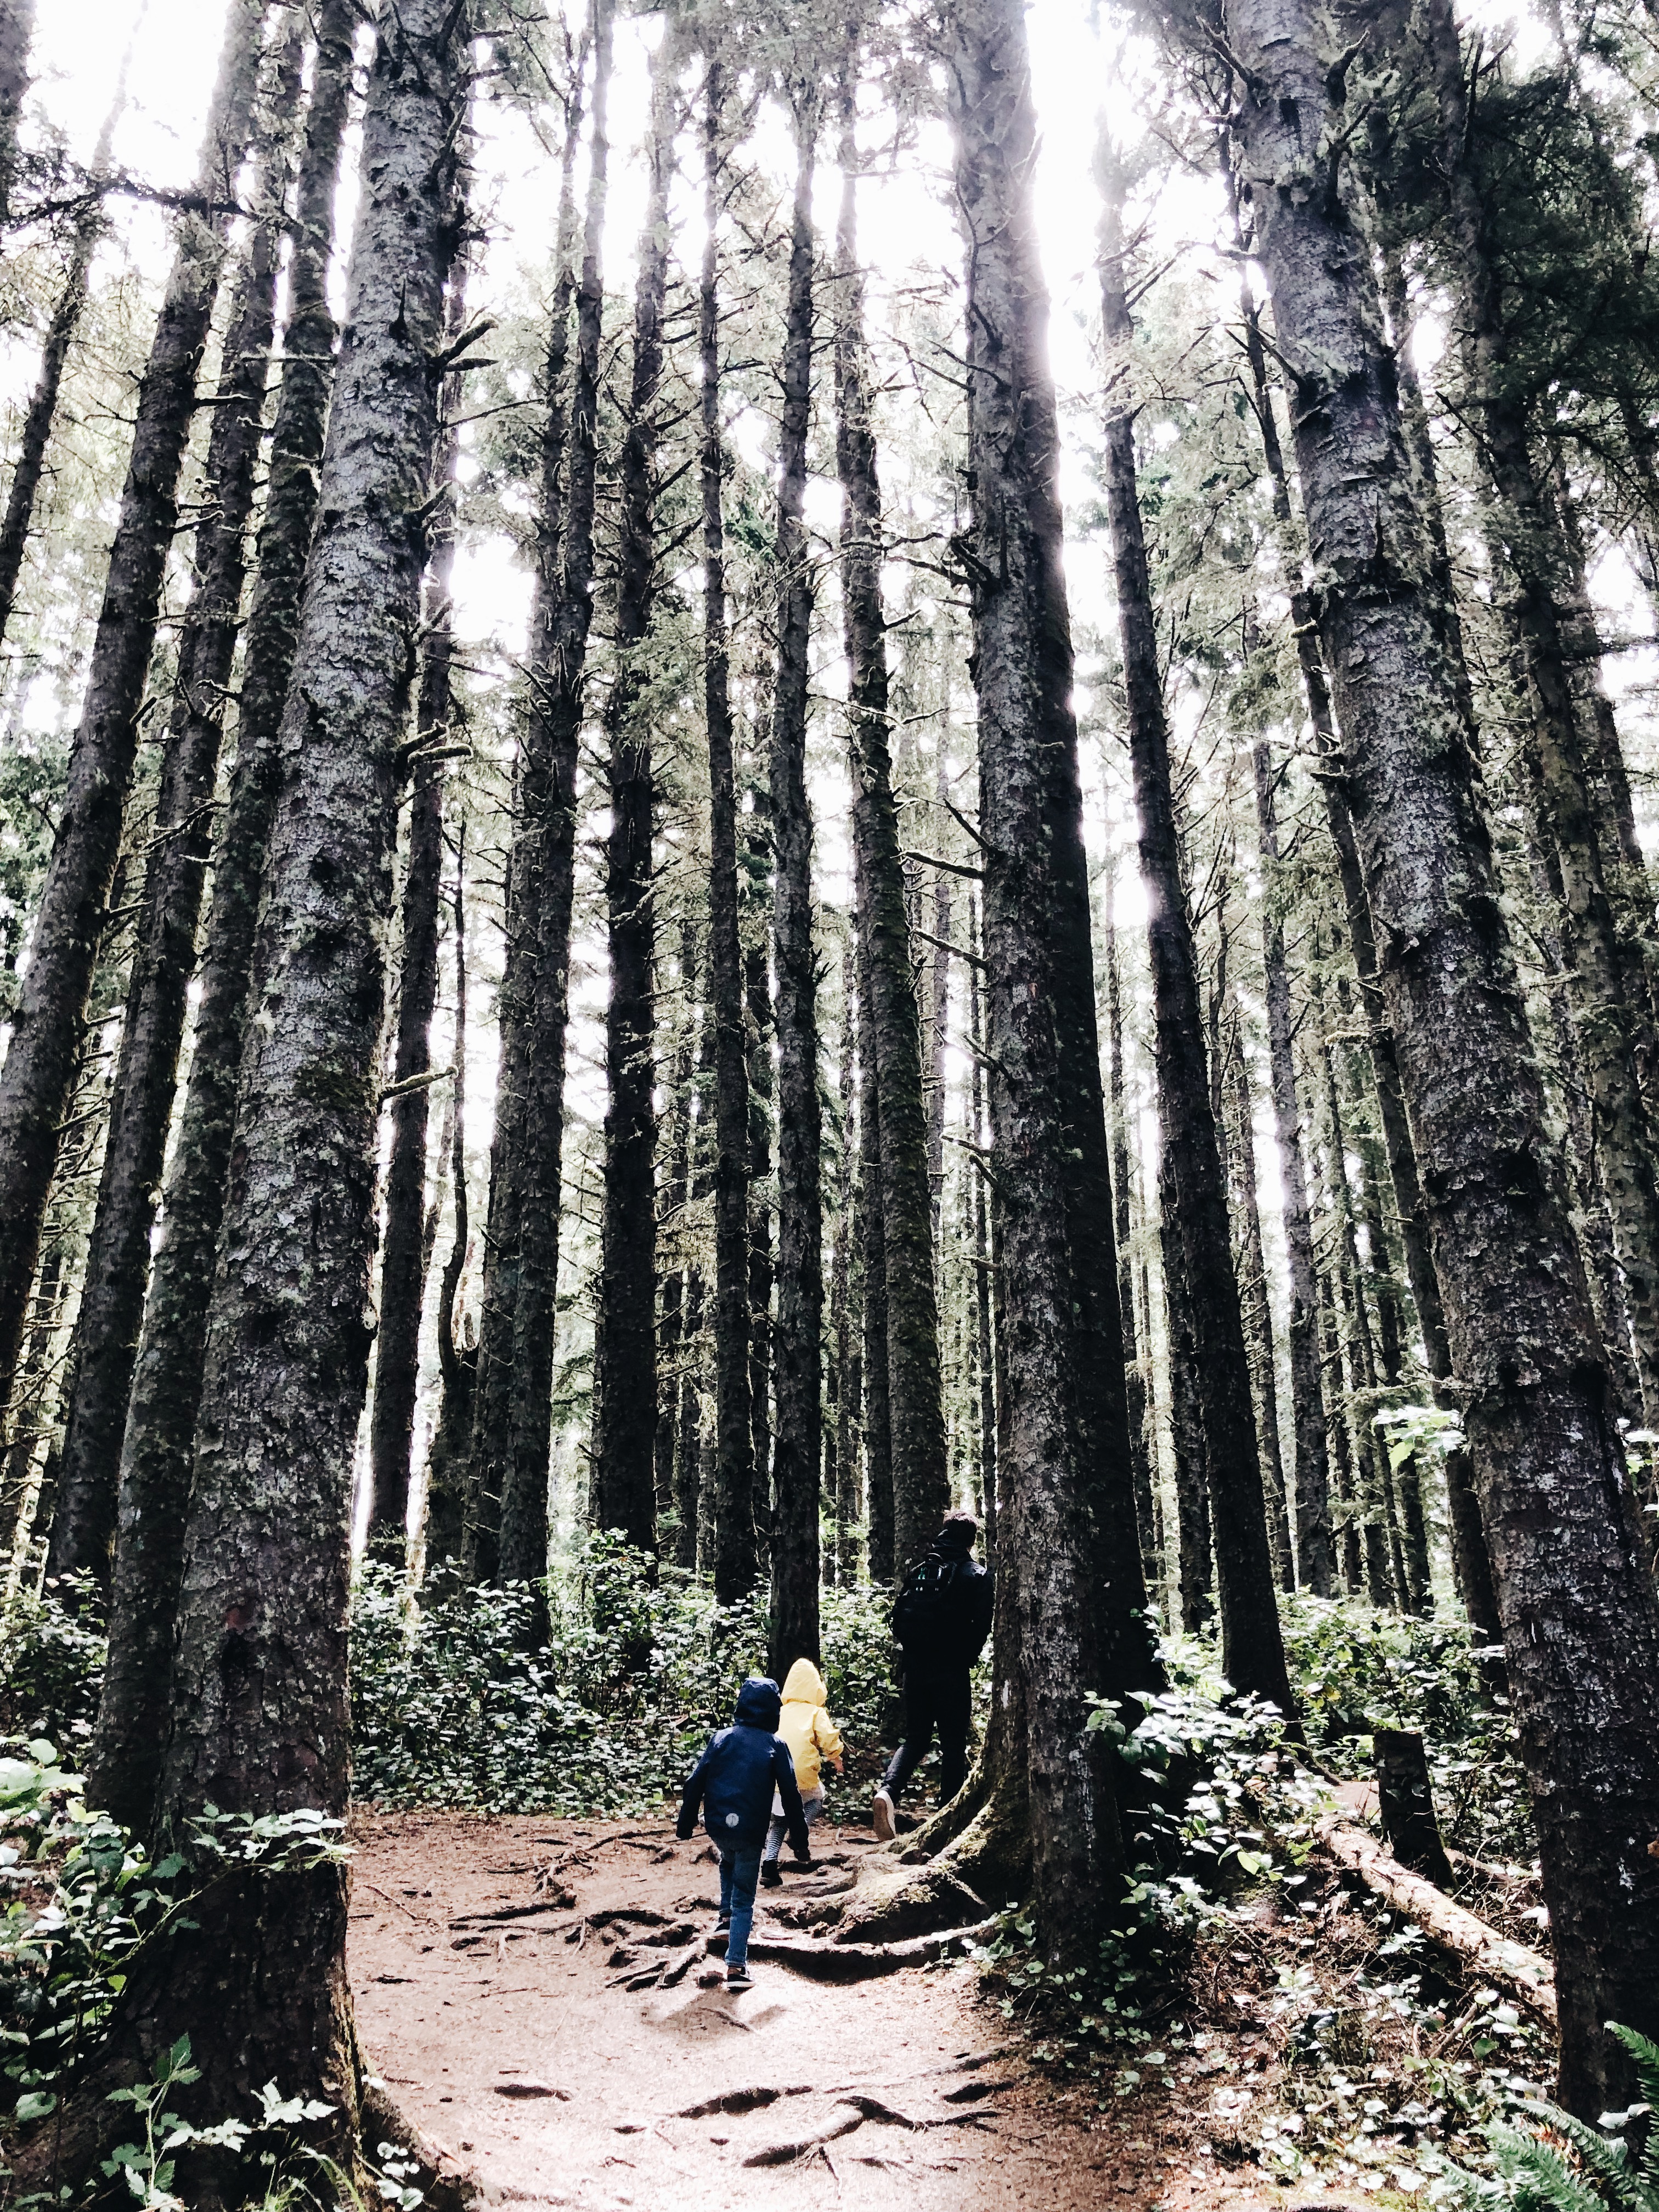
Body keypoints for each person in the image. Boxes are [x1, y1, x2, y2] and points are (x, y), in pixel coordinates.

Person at [676, 1674, 810, 1990]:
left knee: (727, 1860)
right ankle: (736, 1967)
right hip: (751, 1830)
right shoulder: (776, 1746)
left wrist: (685, 1825)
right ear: (773, 1711)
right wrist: (800, 1842)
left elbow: (695, 1782)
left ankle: (725, 1919)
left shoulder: (721, 1738)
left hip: (720, 1825)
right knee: (745, 1897)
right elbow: (791, 1795)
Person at [872, 1509, 992, 1842]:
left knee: (916, 1739)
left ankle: (888, 1793)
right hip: (951, 1671)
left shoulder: (922, 1570)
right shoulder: (976, 1575)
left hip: (915, 1668)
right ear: (971, 1540)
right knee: (954, 1745)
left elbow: (898, 1620)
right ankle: (946, 1817)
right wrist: (966, 1657)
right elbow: (982, 1625)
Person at [760, 1658, 843, 1888]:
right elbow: (828, 1738)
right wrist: (836, 1758)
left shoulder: (780, 1712)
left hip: (775, 1775)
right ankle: (800, 1832)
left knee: (778, 1823)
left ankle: (769, 1866)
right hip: (803, 1775)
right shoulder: (816, 1712)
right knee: (817, 1799)